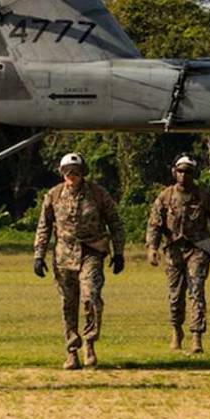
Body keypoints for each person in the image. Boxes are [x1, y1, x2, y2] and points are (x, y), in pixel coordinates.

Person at [33, 153, 125, 370]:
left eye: (75, 171)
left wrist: (118, 252)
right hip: (64, 255)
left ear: (83, 172)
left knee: (91, 297)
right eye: (67, 171)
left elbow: (115, 223)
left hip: (91, 251)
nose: (71, 175)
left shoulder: (98, 194)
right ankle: (71, 350)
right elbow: (44, 226)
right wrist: (39, 254)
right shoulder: (53, 195)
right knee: (68, 303)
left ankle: (90, 344)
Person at [146, 155, 210, 354]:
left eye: (188, 171)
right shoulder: (165, 197)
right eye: (181, 171)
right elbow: (154, 225)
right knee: (175, 296)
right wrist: (152, 248)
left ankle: (196, 335)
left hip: (198, 248)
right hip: (174, 250)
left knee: (196, 290)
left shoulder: (204, 196)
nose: (184, 175)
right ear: (175, 172)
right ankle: (176, 330)